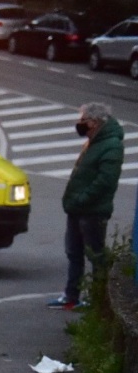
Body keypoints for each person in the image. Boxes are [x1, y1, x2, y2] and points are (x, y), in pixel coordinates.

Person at [52, 101, 123, 308]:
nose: (79, 125)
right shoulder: (94, 141)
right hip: (78, 209)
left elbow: (106, 180)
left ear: (94, 122)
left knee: (95, 256)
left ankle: (97, 300)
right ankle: (71, 296)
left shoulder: (111, 145)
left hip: (92, 212)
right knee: (74, 253)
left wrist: (81, 199)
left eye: (83, 121)